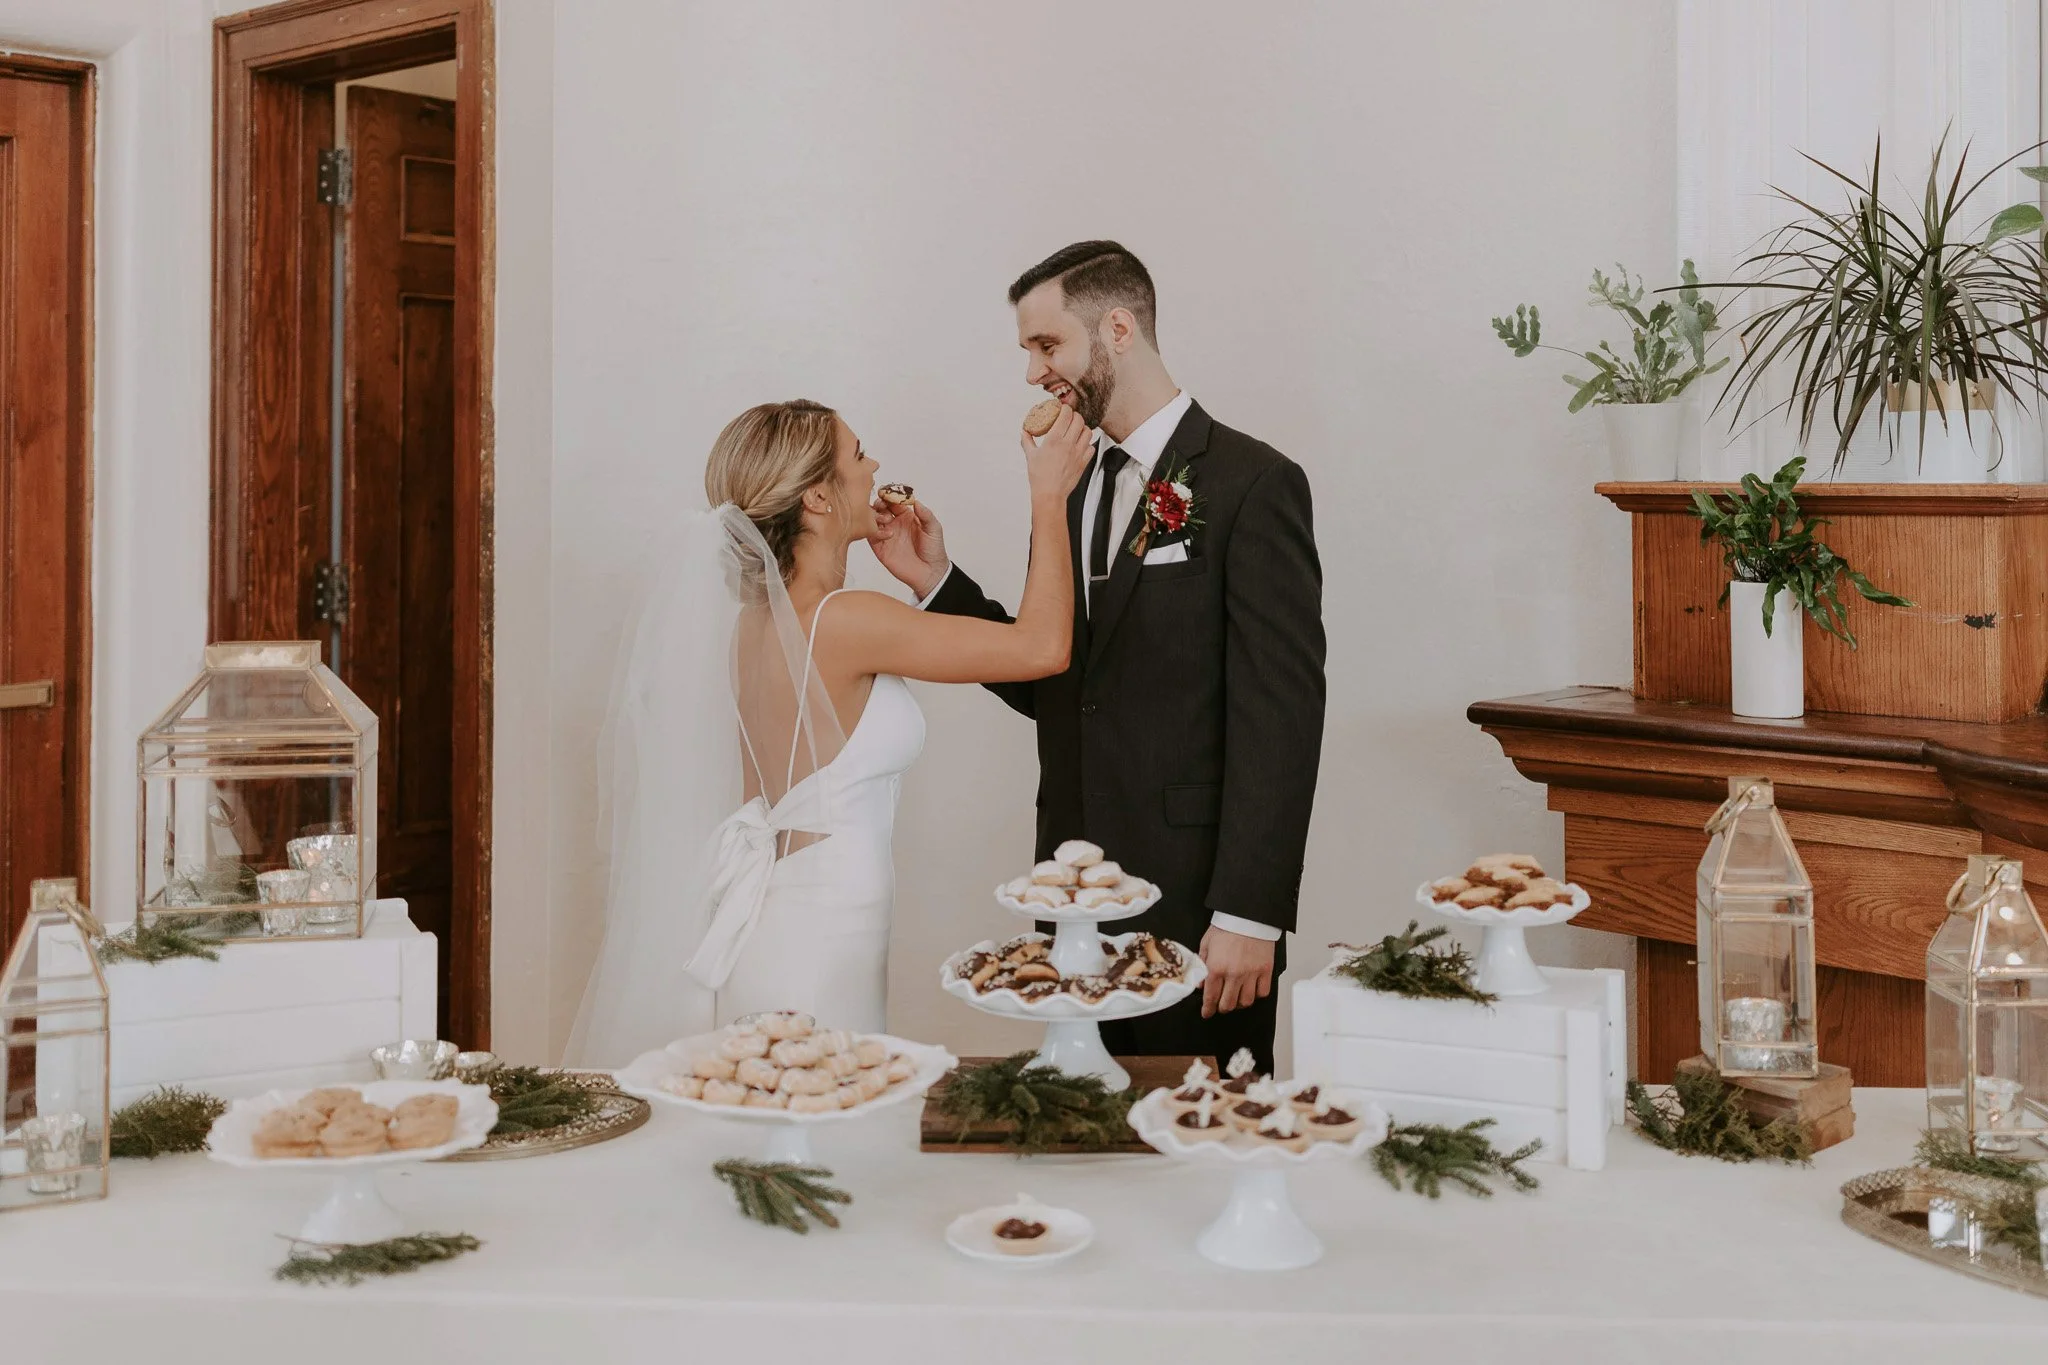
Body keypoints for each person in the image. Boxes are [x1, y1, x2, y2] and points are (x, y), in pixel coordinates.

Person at [870, 241, 1326, 1073]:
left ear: (1117, 328)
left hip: (1200, 908)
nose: (1035, 373)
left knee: (1195, 1146)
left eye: (1048, 347)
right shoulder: (1073, 483)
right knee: (1093, 1144)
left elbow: (1284, 714)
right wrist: (938, 583)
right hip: (1075, 904)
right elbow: (1062, 678)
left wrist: (1251, 912)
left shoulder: (1255, 483)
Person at [567, 398, 1094, 1066]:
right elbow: (1043, 648)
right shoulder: (843, 620)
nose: (873, 465)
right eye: (857, 454)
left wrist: (931, 574)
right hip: (816, 946)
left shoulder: (752, 625)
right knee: (827, 1136)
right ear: (817, 496)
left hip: (783, 929)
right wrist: (1050, 497)